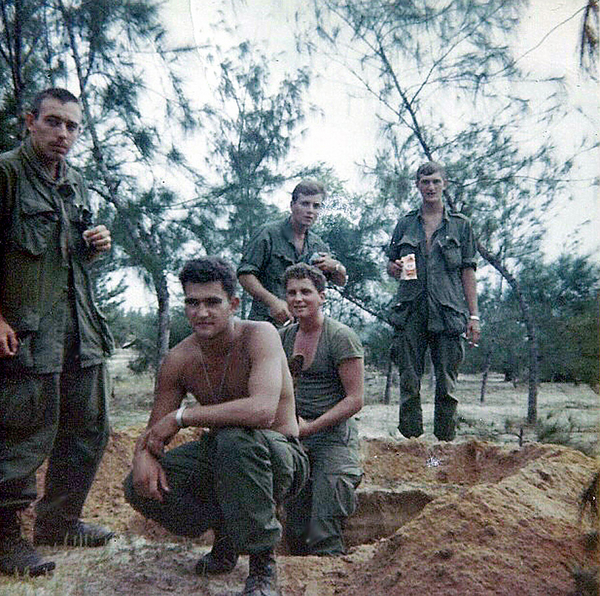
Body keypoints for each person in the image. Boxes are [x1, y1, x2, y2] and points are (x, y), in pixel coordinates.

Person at [124, 257, 309, 596]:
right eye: (192, 303)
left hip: (281, 457)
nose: (202, 312)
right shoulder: (179, 359)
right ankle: (225, 535)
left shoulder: (260, 335)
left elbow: (262, 412)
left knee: (236, 441)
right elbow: (154, 432)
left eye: (213, 302)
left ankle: (262, 564)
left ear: (233, 304)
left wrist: (183, 417)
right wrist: (143, 457)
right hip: (227, 458)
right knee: (139, 485)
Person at [0, 88, 114, 577]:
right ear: (30, 122)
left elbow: (61, 256)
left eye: (71, 126)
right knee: (21, 434)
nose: (62, 134)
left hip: (79, 327)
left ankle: (60, 521)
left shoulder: (77, 182)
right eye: (53, 122)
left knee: (90, 426)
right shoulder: (6, 173)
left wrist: (95, 245)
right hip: (26, 332)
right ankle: (4, 540)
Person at [386, 161, 480, 441]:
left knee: (447, 385)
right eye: (425, 182)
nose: (430, 187)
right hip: (411, 311)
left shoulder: (461, 226)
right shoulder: (405, 223)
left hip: (448, 312)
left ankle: (445, 445)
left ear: (444, 185)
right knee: (409, 382)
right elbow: (392, 263)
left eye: (436, 182)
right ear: (417, 185)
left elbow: (468, 271)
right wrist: (393, 269)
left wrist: (473, 316)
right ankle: (410, 445)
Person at [280, 263, 364, 556]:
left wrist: (311, 427)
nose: (298, 298)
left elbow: (355, 399)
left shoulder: (340, 336)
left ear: (322, 296)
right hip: (295, 436)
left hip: (333, 436)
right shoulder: (284, 337)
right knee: (294, 527)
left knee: (324, 529)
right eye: (291, 293)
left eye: (306, 291)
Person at [237, 179, 347, 326]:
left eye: (316, 206)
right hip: (267, 323)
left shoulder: (317, 245)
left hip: (303, 329)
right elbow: (245, 275)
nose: (310, 211)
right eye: (305, 204)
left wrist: (336, 266)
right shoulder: (268, 234)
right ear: (292, 205)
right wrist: (272, 302)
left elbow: (340, 281)